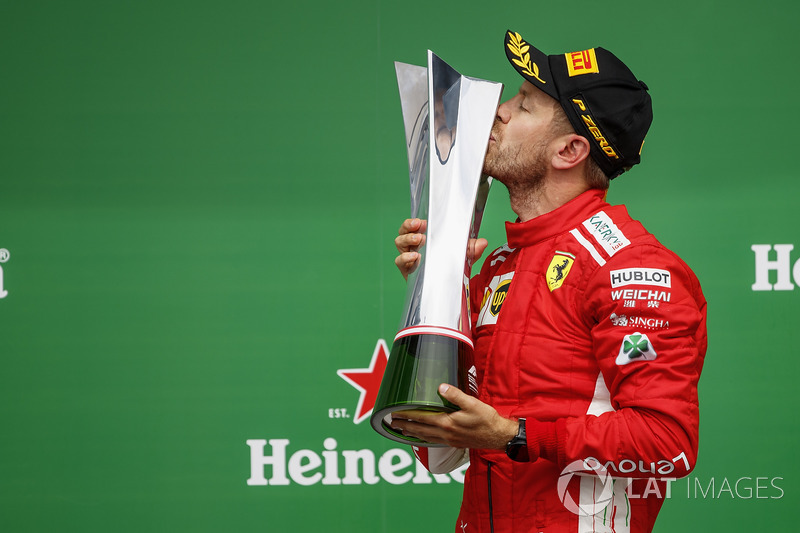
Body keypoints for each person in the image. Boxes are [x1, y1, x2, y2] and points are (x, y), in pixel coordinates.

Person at [390, 30, 707, 533]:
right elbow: (442, 454)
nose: (499, 110)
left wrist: (514, 435)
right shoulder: (495, 268)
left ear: (569, 150)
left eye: (525, 104)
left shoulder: (628, 267)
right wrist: (439, 288)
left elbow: (667, 444)